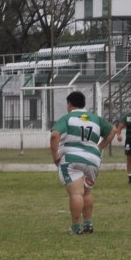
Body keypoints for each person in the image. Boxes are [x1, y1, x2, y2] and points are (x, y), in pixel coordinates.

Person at [50, 90, 110, 235]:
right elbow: (113, 130)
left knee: (76, 193)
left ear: (69, 104)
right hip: (93, 160)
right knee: (86, 192)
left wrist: (55, 156)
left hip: (72, 159)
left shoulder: (68, 118)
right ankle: (88, 224)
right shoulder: (96, 119)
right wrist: (99, 147)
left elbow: (54, 135)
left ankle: (76, 227)